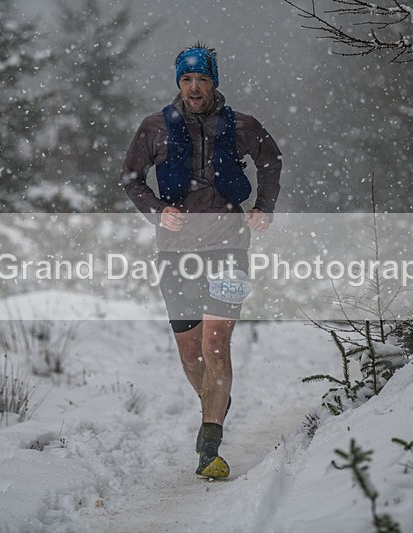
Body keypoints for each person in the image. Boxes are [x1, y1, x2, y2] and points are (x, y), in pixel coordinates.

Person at [121, 43, 282, 479]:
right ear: (179, 82)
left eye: (203, 79)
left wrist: (263, 207)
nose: (194, 88)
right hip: (174, 254)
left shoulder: (243, 126)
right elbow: (130, 178)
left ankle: (209, 445)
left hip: (229, 250)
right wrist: (158, 210)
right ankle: (215, 400)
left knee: (215, 344)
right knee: (191, 353)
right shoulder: (154, 127)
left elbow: (271, 162)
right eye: (187, 79)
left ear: (214, 82)